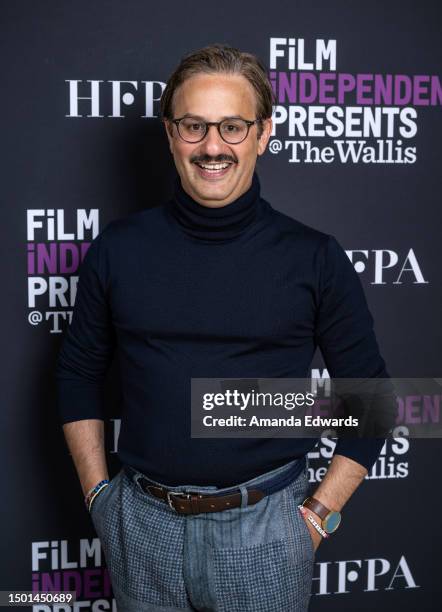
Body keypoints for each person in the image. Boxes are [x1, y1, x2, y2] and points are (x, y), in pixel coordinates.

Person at [56, 44, 390, 612]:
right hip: (141, 529)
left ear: (263, 134)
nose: (213, 147)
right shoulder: (119, 247)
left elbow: (373, 402)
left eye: (233, 127)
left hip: (268, 534)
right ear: (170, 134)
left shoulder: (314, 257)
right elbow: (78, 375)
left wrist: (314, 520)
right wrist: (99, 499)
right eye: (194, 126)